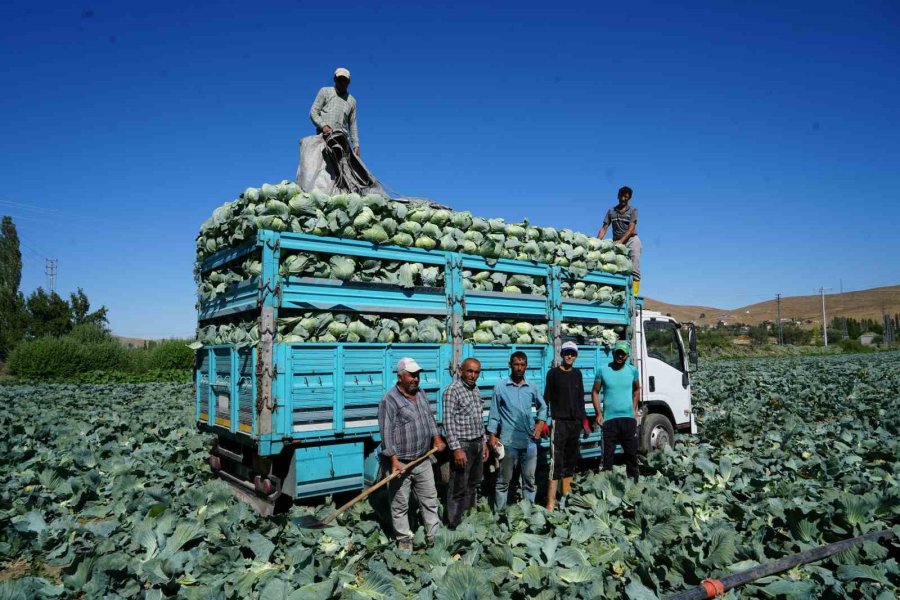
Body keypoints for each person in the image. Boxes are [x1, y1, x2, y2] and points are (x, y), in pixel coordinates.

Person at [378, 357, 447, 551]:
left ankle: (434, 539)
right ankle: (404, 541)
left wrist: (436, 438)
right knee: (400, 505)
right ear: (400, 377)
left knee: (430, 500)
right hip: (401, 463)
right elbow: (386, 433)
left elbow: (429, 418)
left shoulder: (421, 393)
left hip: (423, 458)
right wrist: (393, 460)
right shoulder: (389, 400)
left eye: (417, 375)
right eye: (411, 375)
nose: (415, 379)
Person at [487, 351, 547, 510]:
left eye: (522, 365)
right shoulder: (500, 387)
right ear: (510, 365)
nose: (519, 368)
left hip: (529, 442)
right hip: (508, 442)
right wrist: (492, 436)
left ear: (526, 366)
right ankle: (499, 516)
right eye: (516, 364)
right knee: (503, 482)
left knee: (529, 481)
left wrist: (540, 423)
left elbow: (543, 406)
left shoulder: (532, 387)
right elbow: (494, 415)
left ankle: (529, 514)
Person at [443, 358, 488, 529]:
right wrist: (456, 449)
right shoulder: (452, 391)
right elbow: (448, 422)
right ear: (461, 370)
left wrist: (483, 442)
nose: (473, 375)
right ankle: (454, 525)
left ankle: (469, 521)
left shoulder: (475, 389)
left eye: (476, 372)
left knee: (473, 485)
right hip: (463, 446)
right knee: (458, 487)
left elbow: (479, 418)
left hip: (476, 443)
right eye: (469, 371)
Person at [544, 341, 587, 510]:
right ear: (561, 355)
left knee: (571, 461)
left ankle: (566, 499)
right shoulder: (553, 374)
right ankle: (551, 502)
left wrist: (583, 420)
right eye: (567, 353)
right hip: (559, 422)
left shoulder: (577, 374)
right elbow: (546, 397)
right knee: (556, 462)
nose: (570, 356)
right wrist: (544, 420)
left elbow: (580, 398)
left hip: (574, 423)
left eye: (573, 354)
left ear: (576, 356)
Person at [591, 341, 641, 481]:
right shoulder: (603, 370)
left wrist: (634, 409)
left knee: (631, 456)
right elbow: (595, 392)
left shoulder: (633, 371)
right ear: (613, 353)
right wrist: (599, 413)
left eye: (623, 353)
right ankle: (607, 488)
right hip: (609, 420)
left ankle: (634, 485)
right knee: (608, 457)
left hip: (628, 419)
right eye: (617, 352)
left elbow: (637, 390)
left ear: (627, 355)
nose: (620, 356)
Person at [597, 186, 642, 296]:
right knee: (616, 267)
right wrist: (597, 242)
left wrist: (621, 241)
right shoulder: (611, 211)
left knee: (634, 268)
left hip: (631, 240)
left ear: (629, 198)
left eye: (626, 197)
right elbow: (604, 228)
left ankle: (634, 295)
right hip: (617, 242)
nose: (623, 199)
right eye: (622, 196)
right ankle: (618, 293)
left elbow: (631, 229)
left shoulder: (633, 211)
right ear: (618, 196)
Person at [309, 67, 360, 157]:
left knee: (352, 168)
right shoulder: (325, 91)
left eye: (345, 80)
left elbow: (352, 124)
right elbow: (313, 112)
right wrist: (323, 125)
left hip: (342, 140)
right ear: (335, 79)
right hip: (323, 136)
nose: (342, 82)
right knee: (308, 153)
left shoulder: (352, 101)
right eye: (339, 79)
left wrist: (356, 145)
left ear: (348, 82)